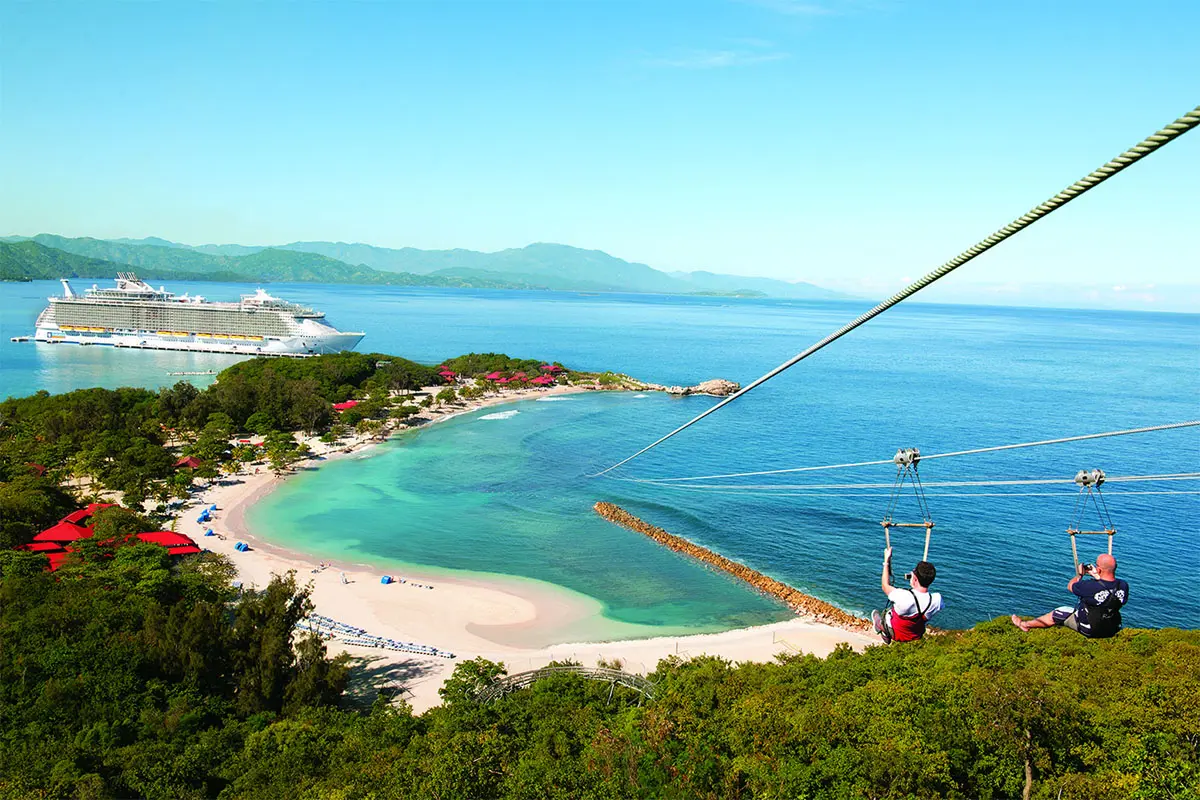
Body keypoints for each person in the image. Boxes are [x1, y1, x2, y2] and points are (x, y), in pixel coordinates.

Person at [1011, 553, 1128, 638]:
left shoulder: (1089, 586)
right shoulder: (1123, 585)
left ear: (1099, 569)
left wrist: (1080, 575)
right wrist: (1098, 576)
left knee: (1058, 612)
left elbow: (1071, 586)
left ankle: (1024, 625)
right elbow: (1108, 591)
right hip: (1111, 628)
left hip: (1091, 629)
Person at [871, 547, 944, 643]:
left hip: (895, 633)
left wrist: (886, 561)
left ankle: (882, 629)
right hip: (915, 634)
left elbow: (885, 586)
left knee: (880, 614)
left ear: (915, 579)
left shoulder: (904, 597)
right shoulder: (937, 600)